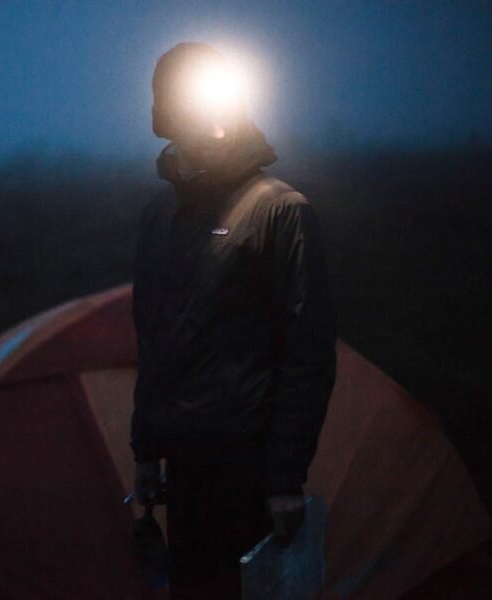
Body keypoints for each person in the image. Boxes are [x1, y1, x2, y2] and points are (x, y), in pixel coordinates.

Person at [130, 42, 336, 599]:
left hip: (248, 468)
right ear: (165, 115)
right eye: (181, 105)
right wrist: (146, 450)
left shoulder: (280, 210)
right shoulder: (160, 215)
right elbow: (152, 337)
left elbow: (307, 353)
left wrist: (285, 479)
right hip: (183, 466)